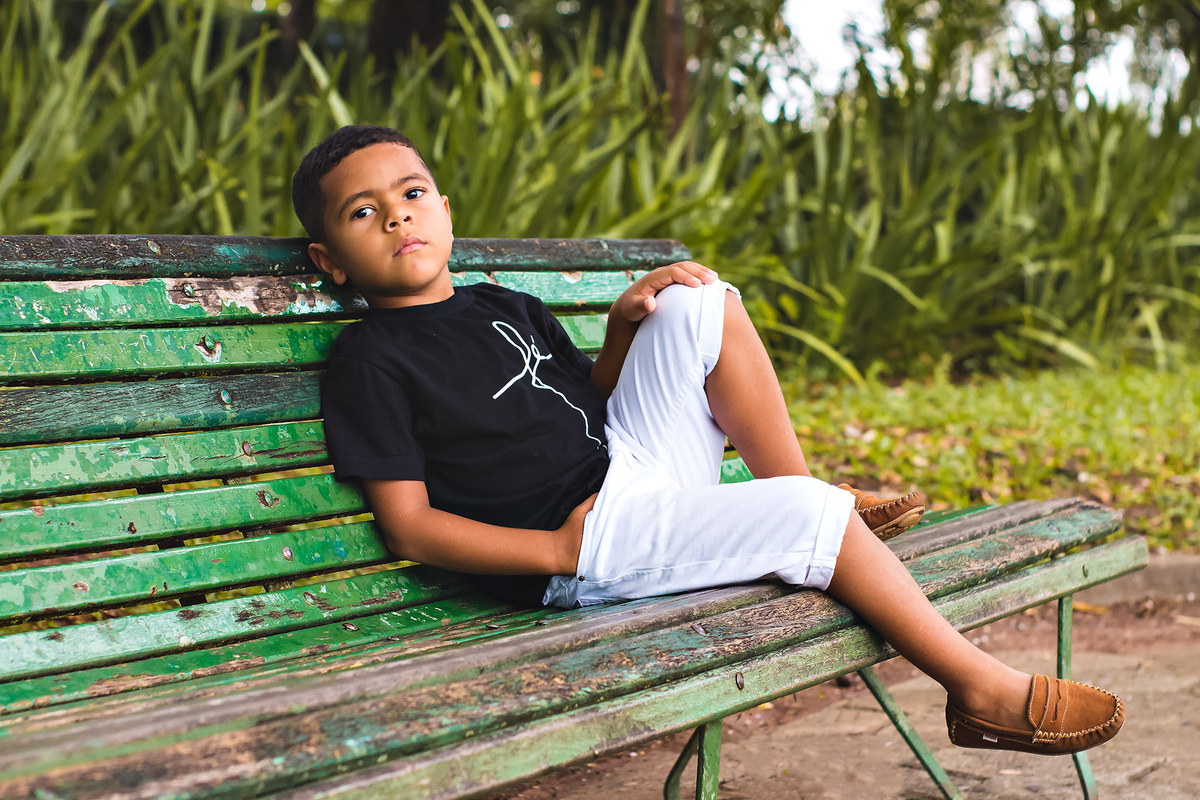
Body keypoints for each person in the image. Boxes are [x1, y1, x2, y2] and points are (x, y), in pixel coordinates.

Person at [294, 125, 1124, 755]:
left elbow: (588, 399)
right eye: (365, 211)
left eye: (412, 193)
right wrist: (554, 549)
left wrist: (621, 333)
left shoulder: (498, 305)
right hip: (587, 547)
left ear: (444, 208)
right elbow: (407, 525)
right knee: (803, 520)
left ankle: (813, 492)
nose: (397, 215)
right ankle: (978, 690)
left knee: (701, 301)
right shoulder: (371, 360)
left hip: (626, 472)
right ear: (331, 259)